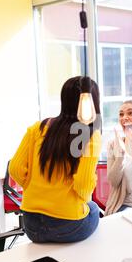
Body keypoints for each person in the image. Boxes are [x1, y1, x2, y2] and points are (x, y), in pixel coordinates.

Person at [9, 76, 102, 243]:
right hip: (69, 226)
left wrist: (36, 188)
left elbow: (15, 168)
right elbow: (83, 184)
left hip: (31, 225)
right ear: (93, 102)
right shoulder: (89, 135)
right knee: (93, 209)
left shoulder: (38, 128)